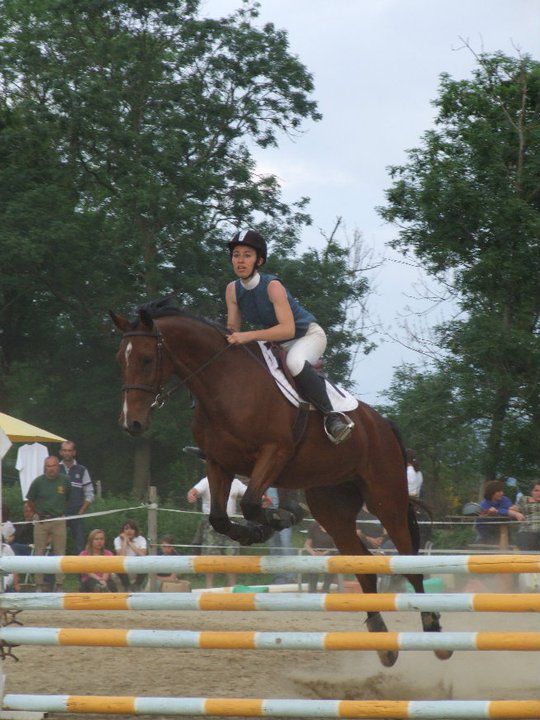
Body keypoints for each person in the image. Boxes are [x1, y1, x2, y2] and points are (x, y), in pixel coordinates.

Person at [224, 229, 354, 445]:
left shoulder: (273, 286)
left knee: (295, 362)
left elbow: (288, 330)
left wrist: (248, 336)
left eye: (247, 255)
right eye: (236, 255)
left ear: (259, 261)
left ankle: (331, 418)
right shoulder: (232, 290)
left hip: (307, 336)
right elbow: (232, 330)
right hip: (275, 343)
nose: (240, 260)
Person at [187, 475, 246, 588]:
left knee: (232, 557)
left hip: (230, 525)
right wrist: (191, 494)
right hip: (211, 525)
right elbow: (194, 491)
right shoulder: (207, 481)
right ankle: (209, 587)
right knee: (210, 557)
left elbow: (249, 493)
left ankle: (232, 587)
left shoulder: (235, 482)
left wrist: (263, 498)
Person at [26, 456, 71, 592]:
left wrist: (60, 511)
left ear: (58, 466)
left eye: (54, 466)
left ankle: (59, 584)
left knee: (60, 552)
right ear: (45, 467)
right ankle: (39, 584)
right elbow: (30, 500)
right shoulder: (38, 482)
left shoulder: (65, 480)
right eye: (48, 466)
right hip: (42, 520)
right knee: (39, 552)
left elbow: (68, 498)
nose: (51, 469)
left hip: (58, 520)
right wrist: (37, 513)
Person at [58, 440, 95, 554]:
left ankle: (82, 566)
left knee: (80, 545)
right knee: (58, 545)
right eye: (64, 450)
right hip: (59, 513)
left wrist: (81, 511)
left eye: (69, 450)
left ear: (74, 452)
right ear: (60, 452)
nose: (67, 453)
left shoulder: (82, 470)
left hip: (77, 513)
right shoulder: (55, 469)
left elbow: (90, 493)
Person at [475, 479, 524, 544]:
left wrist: (499, 511)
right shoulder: (483, 505)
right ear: (491, 492)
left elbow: (509, 510)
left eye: (502, 491)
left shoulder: (505, 499)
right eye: (499, 491)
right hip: (486, 533)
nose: (502, 493)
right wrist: (508, 512)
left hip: (504, 531)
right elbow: (507, 511)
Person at [113, 519, 148, 592]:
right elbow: (121, 557)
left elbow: (142, 555)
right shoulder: (117, 540)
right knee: (118, 567)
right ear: (123, 531)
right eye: (126, 529)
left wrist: (130, 543)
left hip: (137, 564)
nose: (129, 531)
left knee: (146, 565)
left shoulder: (141, 539)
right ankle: (127, 586)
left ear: (135, 530)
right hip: (124, 564)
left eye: (132, 529)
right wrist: (124, 541)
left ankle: (137, 585)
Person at [303, 521, 337, 593]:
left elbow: (336, 546)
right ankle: (312, 590)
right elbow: (307, 545)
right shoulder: (314, 525)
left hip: (330, 553)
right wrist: (313, 553)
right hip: (314, 554)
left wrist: (323, 553)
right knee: (313, 563)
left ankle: (325, 589)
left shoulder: (335, 526)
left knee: (332, 562)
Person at [516, 481, 540, 551]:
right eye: (536, 491)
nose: (539, 493)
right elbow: (510, 510)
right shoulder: (524, 499)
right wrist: (516, 514)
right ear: (531, 492)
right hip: (527, 532)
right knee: (526, 537)